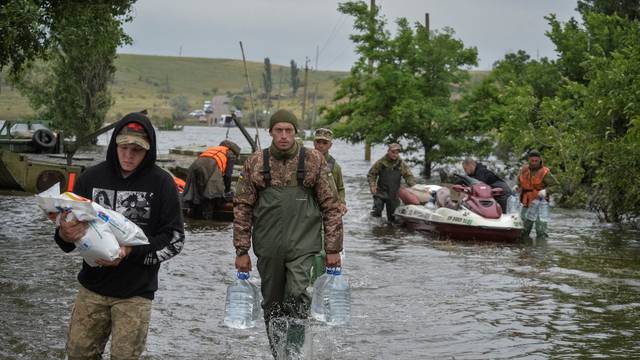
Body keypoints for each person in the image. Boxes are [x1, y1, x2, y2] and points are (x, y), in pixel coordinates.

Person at [53, 112, 185, 359]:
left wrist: (129, 252)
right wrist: (64, 233)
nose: (129, 155)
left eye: (137, 149)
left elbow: (174, 240)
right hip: (91, 290)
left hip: (135, 295)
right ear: (115, 144)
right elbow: (63, 242)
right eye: (124, 147)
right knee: (78, 355)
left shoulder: (163, 184)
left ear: (149, 149)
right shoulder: (89, 178)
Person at [233, 109, 343, 358]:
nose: (284, 136)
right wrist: (241, 250)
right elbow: (242, 208)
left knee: (297, 295)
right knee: (271, 303)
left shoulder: (314, 160)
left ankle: (294, 352)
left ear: (295, 132)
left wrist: (334, 249)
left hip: (303, 246)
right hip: (268, 248)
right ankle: (277, 352)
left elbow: (331, 206)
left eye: (289, 130)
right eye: (279, 130)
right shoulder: (255, 162)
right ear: (271, 132)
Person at [182, 139, 241, 217]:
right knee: (211, 197)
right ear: (235, 151)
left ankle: (193, 222)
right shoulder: (230, 154)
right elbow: (228, 175)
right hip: (210, 166)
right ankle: (208, 223)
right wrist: (227, 191)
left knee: (195, 196)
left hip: (194, 166)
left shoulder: (214, 149)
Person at [367, 143, 416, 221]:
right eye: (393, 152)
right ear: (388, 151)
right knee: (377, 211)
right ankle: (374, 228)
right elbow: (371, 174)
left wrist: (413, 186)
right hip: (380, 192)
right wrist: (372, 185)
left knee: (393, 218)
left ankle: (390, 231)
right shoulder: (381, 162)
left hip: (394, 193)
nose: (395, 155)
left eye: (397, 153)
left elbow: (408, 176)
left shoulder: (401, 164)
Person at [516, 149, 559, 240]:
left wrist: (546, 191)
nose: (534, 163)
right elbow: (519, 182)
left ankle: (540, 251)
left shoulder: (545, 172)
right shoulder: (523, 170)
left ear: (540, 160)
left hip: (540, 203)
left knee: (541, 231)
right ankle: (524, 250)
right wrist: (517, 187)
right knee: (523, 230)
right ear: (529, 160)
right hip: (526, 203)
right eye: (532, 161)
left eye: (536, 161)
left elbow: (556, 186)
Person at [313, 127, 347, 214]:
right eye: (318, 142)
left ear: (330, 145)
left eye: (325, 143)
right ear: (314, 143)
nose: (321, 145)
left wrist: (342, 203)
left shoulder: (335, 167)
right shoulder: (304, 160)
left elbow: (340, 188)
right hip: (310, 206)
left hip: (328, 208)